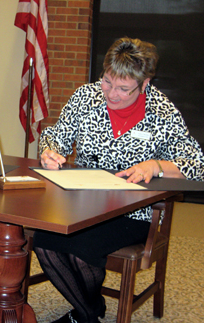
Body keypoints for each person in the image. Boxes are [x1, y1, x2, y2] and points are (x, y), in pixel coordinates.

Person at [36, 37, 204, 323]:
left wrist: (156, 166)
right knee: (44, 243)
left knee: (80, 252)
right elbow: (55, 134)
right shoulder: (85, 97)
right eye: (107, 82)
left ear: (145, 84)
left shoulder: (162, 112)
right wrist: (48, 151)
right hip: (82, 202)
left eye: (123, 89)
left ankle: (82, 316)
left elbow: (198, 165)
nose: (111, 94)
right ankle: (89, 314)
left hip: (133, 211)